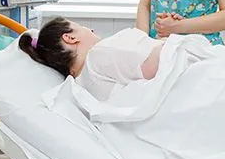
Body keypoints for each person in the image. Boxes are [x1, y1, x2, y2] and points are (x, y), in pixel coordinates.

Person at [19, 17, 163, 101]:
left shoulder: (81, 89)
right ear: (70, 38)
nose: (91, 30)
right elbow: (162, 63)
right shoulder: (100, 53)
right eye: (81, 27)